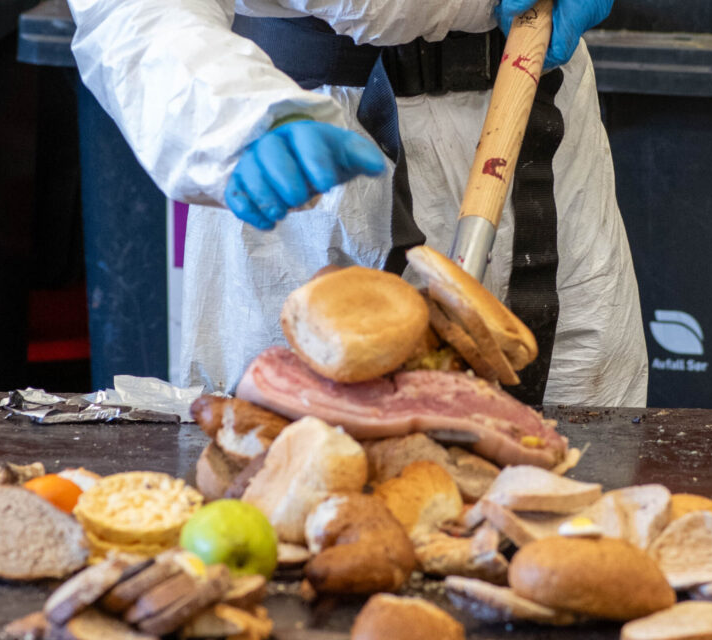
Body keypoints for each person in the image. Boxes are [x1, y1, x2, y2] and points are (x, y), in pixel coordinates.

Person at [68, 0, 648, 407]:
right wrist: (233, 116)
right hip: (305, 139)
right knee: (301, 498)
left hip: (538, 120)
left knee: (576, 500)